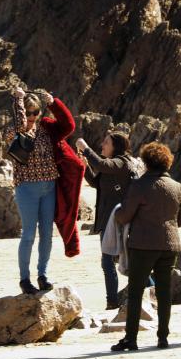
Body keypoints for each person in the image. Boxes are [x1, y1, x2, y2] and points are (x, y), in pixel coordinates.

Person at [112, 142, 181, 352]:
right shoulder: (178, 187)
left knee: (136, 291)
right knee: (164, 292)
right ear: (167, 162)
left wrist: (116, 211)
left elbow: (125, 216)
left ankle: (131, 339)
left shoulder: (139, 186)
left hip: (143, 244)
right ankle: (163, 337)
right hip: (170, 244)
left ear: (146, 162)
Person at [4, 87, 82, 295]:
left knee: (47, 234)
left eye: (35, 112)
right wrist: (19, 99)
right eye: (28, 112)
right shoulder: (14, 131)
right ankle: (24, 279)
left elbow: (69, 125)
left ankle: (43, 275)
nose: (31, 117)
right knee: (29, 234)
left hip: (49, 187)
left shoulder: (47, 129)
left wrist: (53, 103)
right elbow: (21, 124)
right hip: (26, 188)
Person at [76, 131, 138, 310]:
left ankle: (115, 301)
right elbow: (97, 183)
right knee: (118, 261)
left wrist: (86, 149)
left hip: (118, 220)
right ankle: (114, 300)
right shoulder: (111, 166)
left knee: (118, 261)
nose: (102, 145)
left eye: (106, 143)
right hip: (108, 220)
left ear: (116, 147)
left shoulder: (121, 163)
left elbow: (102, 164)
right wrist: (85, 165)